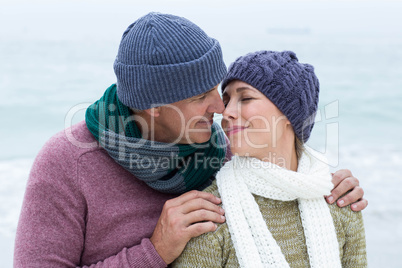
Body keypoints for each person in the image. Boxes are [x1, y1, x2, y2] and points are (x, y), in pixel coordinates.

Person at [14, 13, 367, 268]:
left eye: (219, 89)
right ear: (153, 107)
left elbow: (284, 176)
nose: (220, 107)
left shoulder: (225, 149)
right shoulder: (67, 163)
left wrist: (330, 185)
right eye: (201, 96)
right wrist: (155, 251)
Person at [172, 51, 367, 267]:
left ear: (289, 114)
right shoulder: (210, 217)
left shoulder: (340, 202)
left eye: (245, 98)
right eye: (226, 101)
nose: (226, 113)